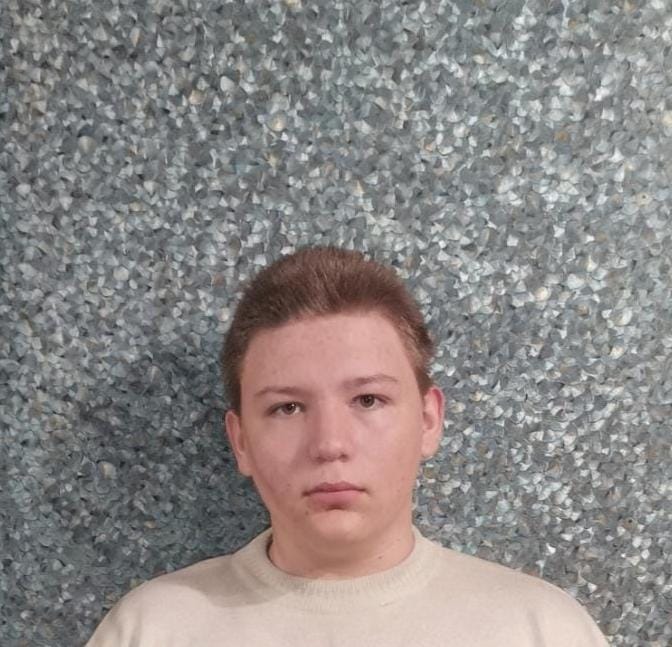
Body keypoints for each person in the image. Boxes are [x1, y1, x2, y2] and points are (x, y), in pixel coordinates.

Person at [85, 246, 609, 646]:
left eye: (368, 400)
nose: (330, 444)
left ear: (428, 420)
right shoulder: (152, 631)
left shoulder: (539, 630)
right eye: (288, 408)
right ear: (241, 441)